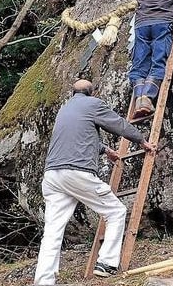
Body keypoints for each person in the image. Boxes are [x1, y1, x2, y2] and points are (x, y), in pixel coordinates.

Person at [33, 79, 157, 285]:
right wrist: (141, 140)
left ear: (73, 93)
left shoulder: (64, 110)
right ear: (92, 92)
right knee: (115, 211)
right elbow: (117, 124)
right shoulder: (93, 104)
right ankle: (107, 263)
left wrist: (105, 150)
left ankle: (43, 281)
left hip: (53, 176)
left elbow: (77, 135)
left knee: (53, 231)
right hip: (76, 172)